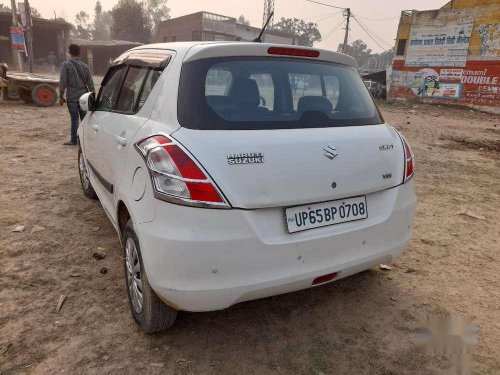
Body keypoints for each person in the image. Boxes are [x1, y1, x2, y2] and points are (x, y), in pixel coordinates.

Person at [59, 44, 95, 146]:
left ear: (70, 53)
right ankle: (84, 140)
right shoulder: (85, 66)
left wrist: (61, 96)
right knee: (84, 119)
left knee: (74, 119)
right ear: (79, 53)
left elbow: (63, 82)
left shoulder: (66, 65)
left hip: (72, 97)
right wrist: (93, 95)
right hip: (84, 97)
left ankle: (74, 140)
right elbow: (90, 83)